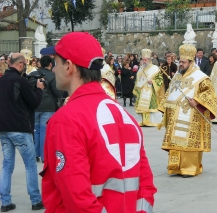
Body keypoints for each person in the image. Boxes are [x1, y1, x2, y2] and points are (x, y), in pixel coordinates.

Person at [40, 32, 157, 212]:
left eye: (56, 62)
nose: (54, 70)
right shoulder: (125, 116)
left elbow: (77, 198)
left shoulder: (66, 120)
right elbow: (145, 184)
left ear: (69, 66)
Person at [158, 44, 217, 177]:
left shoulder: (201, 77)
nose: (180, 64)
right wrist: (163, 107)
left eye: (183, 62)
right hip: (175, 116)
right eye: (180, 61)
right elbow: (169, 92)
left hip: (192, 116)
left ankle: (190, 168)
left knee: (188, 142)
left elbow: (210, 94)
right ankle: (176, 167)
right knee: (176, 141)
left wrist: (197, 101)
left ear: (191, 62)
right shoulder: (177, 76)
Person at [0, 53, 45, 211]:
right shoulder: (19, 80)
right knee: (30, 165)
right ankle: (35, 200)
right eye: (24, 64)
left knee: (7, 165)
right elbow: (34, 102)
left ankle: (5, 202)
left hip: (3, 129)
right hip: (20, 129)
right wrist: (39, 89)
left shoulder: (1, 80)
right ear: (20, 65)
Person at [30, 56, 64, 163]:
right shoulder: (52, 76)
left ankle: (35, 154)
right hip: (48, 106)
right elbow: (58, 92)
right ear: (50, 64)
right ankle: (45, 156)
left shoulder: (33, 75)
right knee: (45, 131)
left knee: (35, 131)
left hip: (35, 105)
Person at [133, 49, 163, 127]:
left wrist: (153, 82)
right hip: (141, 91)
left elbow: (160, 79)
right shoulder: (141, 69)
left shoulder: (155, 68)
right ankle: (143, 121)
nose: (144, 61)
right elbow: (137, 80)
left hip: (150, 91)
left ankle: (151, 121)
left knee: (150, 106)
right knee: (141, 106)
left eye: (145, 60)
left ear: (149, 60)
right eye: (143, 59)